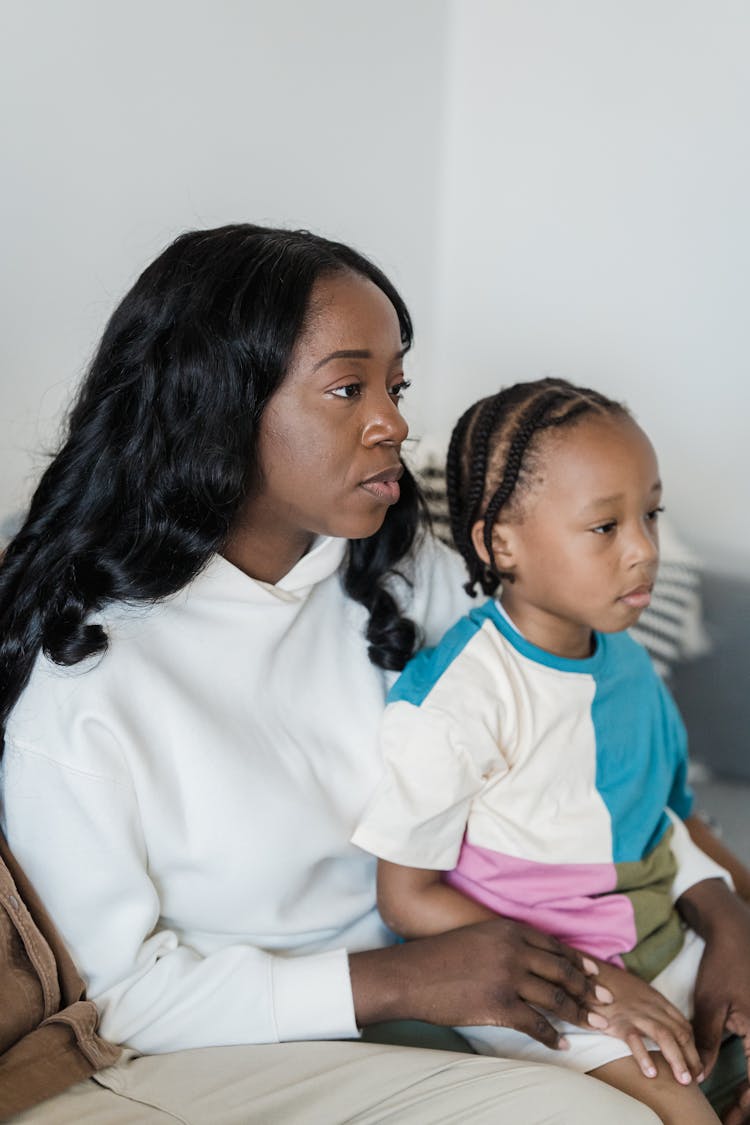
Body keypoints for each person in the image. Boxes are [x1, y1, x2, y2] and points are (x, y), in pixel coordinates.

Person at [0, 225, 668, 1123]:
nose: (392, 420)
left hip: (466, 982)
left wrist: (722, 911)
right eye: (347, 387)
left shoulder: (414, 578)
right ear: (220, 402)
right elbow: (115, 996)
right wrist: (396, 981)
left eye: (394, 385)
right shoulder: (87, 674)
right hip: (232, 1046)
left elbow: (603, 754)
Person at [351, 378, 750, 1124]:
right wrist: (596, 983)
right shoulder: (457, 702)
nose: (643, 549)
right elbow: (405, 898)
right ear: (500, 542)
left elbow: (671, 820)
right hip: (554, 985)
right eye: (605, 526)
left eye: (650, 514)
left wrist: (734, 922)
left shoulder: (628, 661)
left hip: (665, 944)